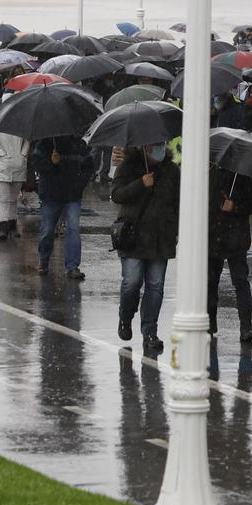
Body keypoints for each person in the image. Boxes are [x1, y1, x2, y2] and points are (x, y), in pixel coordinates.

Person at [112, 140, 181, 356]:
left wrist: (175, 229)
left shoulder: (171, 170)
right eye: (153, 144)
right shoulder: (128, 166)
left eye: (161, 144)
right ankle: (125, 316)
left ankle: (150, 331)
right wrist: (140, 183)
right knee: (131, 282)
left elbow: (179, 202)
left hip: (161, 238)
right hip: (133, 237)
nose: (159, 148)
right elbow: (117, 195)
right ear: (143, 146)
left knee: (155, 286)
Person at [207, 165, 252, 343]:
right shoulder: (211, 171)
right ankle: (210, 322)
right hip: (213, 234)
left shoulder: (247, 175)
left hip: (236, 237)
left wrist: (236, 206)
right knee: (210, 282)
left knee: (241, 282)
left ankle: (246, 327)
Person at [31, 134, 91, 279]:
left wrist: (79, 186)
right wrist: (51, 163)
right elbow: (36, 163)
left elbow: (88, 167)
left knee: (73, 228)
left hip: (72, 195)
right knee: (47, 230)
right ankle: (44, 260)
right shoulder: (45, 143)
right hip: (51, 195)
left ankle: (72, 266)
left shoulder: (79, 145)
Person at [0, 119, 29, 240]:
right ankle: (3, 226)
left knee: (13, 198)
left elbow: (27, 139)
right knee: (3, 198)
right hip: (3, 165)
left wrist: (22, 155)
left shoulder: (22, 120)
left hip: (18, 165)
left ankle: (11, 224)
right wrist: (2, 154)